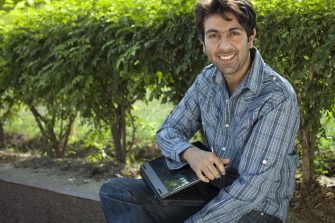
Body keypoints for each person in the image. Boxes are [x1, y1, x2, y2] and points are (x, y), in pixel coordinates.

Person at [99, 0, 300, 222]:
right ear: (203, 43)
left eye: (233, 33)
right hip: (212, 189)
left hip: (257, 209)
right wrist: (190, 153)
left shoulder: (277, 96)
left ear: (250, 37)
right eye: (213, 36)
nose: (224, 46)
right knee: (117, 192)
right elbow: (168, 130)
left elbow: (250, 190)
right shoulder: (207, 79)